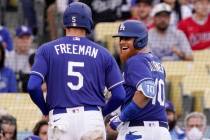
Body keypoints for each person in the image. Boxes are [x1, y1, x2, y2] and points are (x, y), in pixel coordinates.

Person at [27, 2, 126, 140]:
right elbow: (120, 95)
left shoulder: (46, 49)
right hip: (92, 118)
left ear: (65, 23)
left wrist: (44, 109)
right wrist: (102, 112)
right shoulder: (104, 53)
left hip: (61, 118)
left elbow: (32, 86)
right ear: (89, 23)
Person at [109, 20, 171, 139]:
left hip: (138, 131)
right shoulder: (156, 61)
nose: (122, 42)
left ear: (140, 40)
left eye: (127, 38)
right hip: (161, 132)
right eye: (121, 38)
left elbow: (146, 91)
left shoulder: (135, 61)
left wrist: (121, 118)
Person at [5, 25, 34, 92]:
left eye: (27, 38)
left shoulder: (37, 56)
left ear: (31, 40)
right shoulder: (7, 56)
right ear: (15, 39)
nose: (25, 41)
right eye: (21, 38)